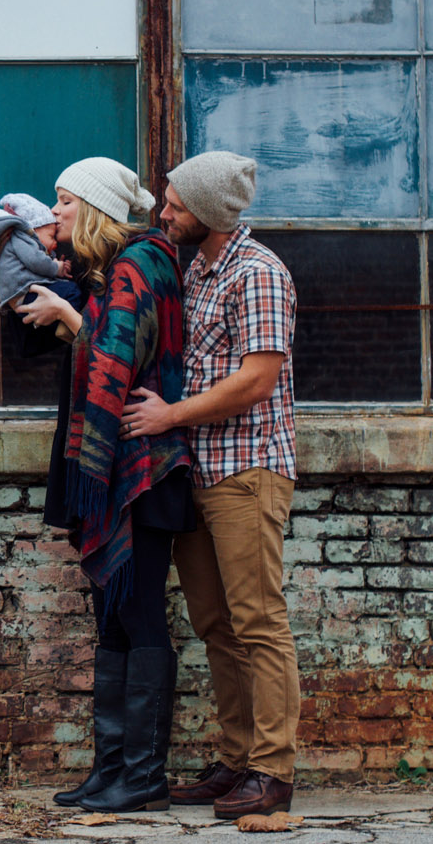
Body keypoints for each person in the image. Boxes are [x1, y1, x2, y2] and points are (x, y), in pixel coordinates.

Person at [120, 151, 299, 819]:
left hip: (246, 470)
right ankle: (236, 761)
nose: (163, 212)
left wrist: (169, 416)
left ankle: (273, 774)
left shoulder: (258, 275)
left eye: (174, 204)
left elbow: (256, 379)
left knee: (259, 623)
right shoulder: (193, 269)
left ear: (211, 213)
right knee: (216, 624)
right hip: (193, 472)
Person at [15, 157, 193, 814]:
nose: (53, 212)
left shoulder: (142, 265)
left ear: (91, 209)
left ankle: (143, 778)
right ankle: (111, 770)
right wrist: (47, 281)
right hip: (113, 470)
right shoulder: (101, 274)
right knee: (111, 619)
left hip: (142, 472)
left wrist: (72, 316)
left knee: (140, 614)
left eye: (62, 202)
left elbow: (123, 354)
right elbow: (46, 346)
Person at [0, 193, 83, 336]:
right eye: (51, 237)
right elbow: (36, 261)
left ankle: (66, 326)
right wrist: (57, 269)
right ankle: (68, 328)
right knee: (72, 290)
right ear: (34, 230)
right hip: (24, 292)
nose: (55, 243)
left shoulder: (21, 242)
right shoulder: (22, 238)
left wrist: (54, 263)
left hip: (22, 295)